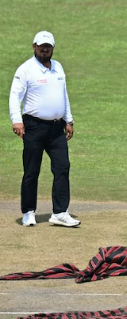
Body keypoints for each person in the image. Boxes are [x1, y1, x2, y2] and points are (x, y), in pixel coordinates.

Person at [9, 31, 80, 227]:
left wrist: (69, 120)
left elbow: (63, 95)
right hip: (34, 126)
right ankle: (28, 212)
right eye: (41, 46)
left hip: (57, 128)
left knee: (62, 167)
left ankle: (60, 212)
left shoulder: (58, 67)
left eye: (48, 46)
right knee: (31, 170)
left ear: (53, 47)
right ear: (34, 46)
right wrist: (17, 121)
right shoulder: (26, 70)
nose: (45, 49)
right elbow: (15, 96)